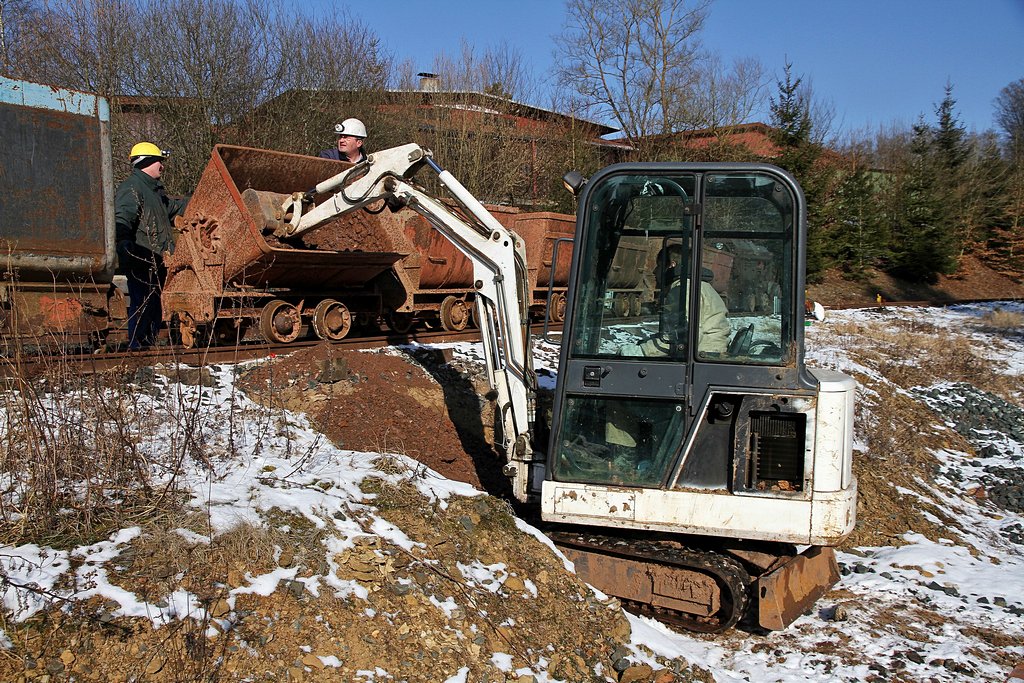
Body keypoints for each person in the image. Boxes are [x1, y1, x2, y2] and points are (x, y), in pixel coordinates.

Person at [115, 142, 190, 350]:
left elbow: (176, 206)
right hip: (141, 259)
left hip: (156, 259)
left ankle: (146, 347)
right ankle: (137, 346)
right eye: (159, 161)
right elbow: (122, 218)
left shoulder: (154, 193)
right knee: (142, 303)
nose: (162, 166)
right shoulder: (132, 188)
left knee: (154, 305)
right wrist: (125, 245)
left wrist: (202, 197)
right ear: (147, 162)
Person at [620, 243, 730, 357]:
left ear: (672, 265)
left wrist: (642, 351)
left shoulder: (682, 290)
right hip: (709, 350)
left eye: (659, 265)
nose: (654, 271)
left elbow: (683, 337)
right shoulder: (698, 286)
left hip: (703, 354)